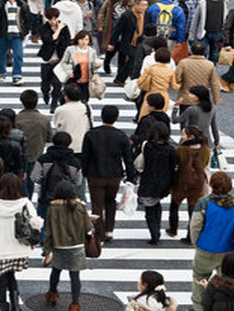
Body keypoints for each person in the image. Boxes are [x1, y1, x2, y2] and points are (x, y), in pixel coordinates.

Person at [0, 173, 41, 311]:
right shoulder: (25, 203)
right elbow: (36, 224)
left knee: (1, 281)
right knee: (11, 276)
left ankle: (3, 306)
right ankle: (15, 306)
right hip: (17, 249)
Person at [189, 171, 234, 311]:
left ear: (211, 185)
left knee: (200, 278)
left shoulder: (204, 203)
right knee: (225, 283)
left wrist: (196, 243)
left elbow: (195, 225)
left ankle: (199, 307)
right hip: (227, 251)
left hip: (205, 248)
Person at [81, 105, 135, 241]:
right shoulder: (121, 136)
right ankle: (109, 230)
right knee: (111, 201)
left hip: (95, 174)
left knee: (97, 204)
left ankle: (99, 233)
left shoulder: (91, 134)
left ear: (101, 116)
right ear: (116, 118)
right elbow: (128, 160)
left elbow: (85, 156)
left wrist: (84, 172)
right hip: (114, 175)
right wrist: (131, 177)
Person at [41, 180, 94, 311]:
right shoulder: (80, 206)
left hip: (59, 245)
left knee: (56, 271)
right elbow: (88, 227)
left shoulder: (53, 208)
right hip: (76, 246)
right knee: (75, 276)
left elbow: (48, 230)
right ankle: (75, 304)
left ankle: (52, 294)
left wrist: (46, 249)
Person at [108, 0, 149, 86]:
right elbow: (117, 30)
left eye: (146, 5)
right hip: (127, 42)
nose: (144, 8)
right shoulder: (127, 15)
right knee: (132, 61)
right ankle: (122, 79)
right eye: (142, 5)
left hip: (139, 42)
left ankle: (120, 78)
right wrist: (112, 42)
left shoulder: (145, 15)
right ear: (136, 5)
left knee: (133, 61)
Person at [137, 47, 180, 120]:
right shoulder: (170, 71)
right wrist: (181, 83)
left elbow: (139, 82)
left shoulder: (150, 69)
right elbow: (174, 87)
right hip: (164, 95)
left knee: (145, 118)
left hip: (151, 94)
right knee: (159, 119)